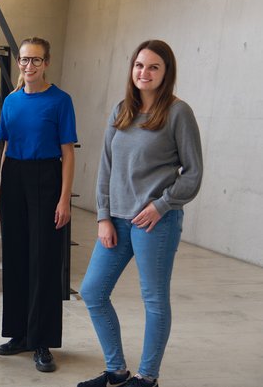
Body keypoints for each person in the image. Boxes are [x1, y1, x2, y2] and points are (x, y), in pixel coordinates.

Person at [77, 40, 202, 387]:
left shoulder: (178, 113)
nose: (144, 72)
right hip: (116, 219)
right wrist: (103, 216)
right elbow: (106, 166)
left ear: (166, 73)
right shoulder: (121, 109)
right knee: (93, 291)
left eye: (153, 67)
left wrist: (161, 205)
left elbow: (193, 173)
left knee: (154, 299)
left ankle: (147, 377)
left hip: (155, 222)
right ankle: (116, 370)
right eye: (139, 65)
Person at [0, 37, 77, 372]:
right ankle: (20, 334)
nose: (29, 66)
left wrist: (64, 198)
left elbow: (68, 152)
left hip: (47, 177)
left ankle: (41, 340)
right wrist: (0, 192)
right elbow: (6, 147)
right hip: (14, 176)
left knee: (44, 259)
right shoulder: (11, 101)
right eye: (25, 60)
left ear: (46, 63)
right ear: (19, 63)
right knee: (15, 257)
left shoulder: (60, 100)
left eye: (36, 60)